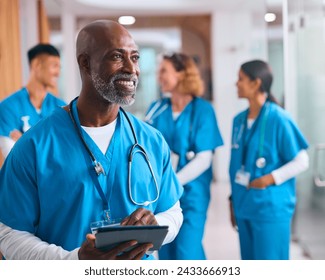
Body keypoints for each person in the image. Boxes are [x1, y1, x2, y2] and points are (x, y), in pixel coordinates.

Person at [0, 20, 183, 260]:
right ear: (85, 63)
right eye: (117, 56)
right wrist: (74, 261)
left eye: (135, 57)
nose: (131, 68)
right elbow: (9, 234)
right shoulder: (34, 146)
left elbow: (173, 211)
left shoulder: (151, 140)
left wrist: (156, 223)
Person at [145, 53, 223, 260]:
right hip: (161, 197)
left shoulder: (203, 110)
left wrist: (172, 182)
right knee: (167, 250)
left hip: (191, 194)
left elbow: (204, 158)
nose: (158, 76)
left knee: (187, 251)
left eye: (164, 71)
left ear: (182, 74)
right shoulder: (156, 108)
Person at [229, 59, 309, 260]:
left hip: (270, 209)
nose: (236, 83)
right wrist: (233, 200)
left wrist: (269, 178)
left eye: (240, 79)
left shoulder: (278, 118)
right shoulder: (238, 121)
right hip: (244, 204)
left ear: (256, 83)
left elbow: (302, 160)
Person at [0, 43, 66, 162]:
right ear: (37, 65)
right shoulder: (7, 108)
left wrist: (24, 142)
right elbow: (13, 160)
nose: (58, 73)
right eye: (54, 66)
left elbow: (64, 153)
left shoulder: (62, 108)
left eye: (59, 67)